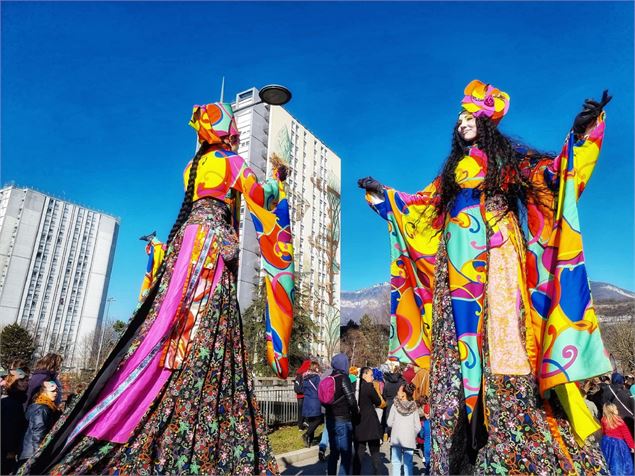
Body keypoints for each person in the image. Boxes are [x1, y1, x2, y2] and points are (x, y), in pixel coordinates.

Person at [18, 101, 294, 475]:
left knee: (170, 323)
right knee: (205, 327)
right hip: (208, 250)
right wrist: (279, 178)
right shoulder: (232, 163)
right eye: (235, 131)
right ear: (227, 132)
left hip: (186, 244)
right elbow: (261, 196)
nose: (239, 136)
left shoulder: (190, 169)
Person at [359, 80, 612, 474]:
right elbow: (422, 208)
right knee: (455, 348)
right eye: (459, 118)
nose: (462, 123)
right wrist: (386, 196)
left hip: (498, 261)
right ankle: (460, 440)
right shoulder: (450, 178)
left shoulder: (508, 162)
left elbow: (552, 176)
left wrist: (579, 134)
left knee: (502, 338)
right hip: (453, 272)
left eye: (470, 117)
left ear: (487, 122)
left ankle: (504, 436)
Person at [325, 353, 358, 475]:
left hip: (330, 419)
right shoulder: (344, 378)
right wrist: (356, 413)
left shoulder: (329, 378)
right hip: (343, 420)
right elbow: (351, 399)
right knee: (345, 454)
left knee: (334, 452)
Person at [19, 381, 60, 465]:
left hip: (27, 451)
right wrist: (37, 456)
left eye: (56, 391)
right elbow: (38, 433)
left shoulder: (38, 405)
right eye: (52, 391)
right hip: (32, 453)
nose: (55, 393)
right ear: (43, 392)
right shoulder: (42, 409)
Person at [352, 367, 383, 475]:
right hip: (371, 425)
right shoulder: (369, 387)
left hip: (358, 424)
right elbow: (378, 401)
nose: (372, 377)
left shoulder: (353, 386)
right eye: (371, 375)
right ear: (364, 375)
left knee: (358, 454)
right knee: (375, 454)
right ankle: (377, 473)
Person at [387, 384, 421, 476]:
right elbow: (418, 426)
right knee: (408, 464)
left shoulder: (395, 406)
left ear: (403, 394)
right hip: (409, 439)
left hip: (396, 439)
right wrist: (412, 434)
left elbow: (389, 422)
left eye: (399, 390)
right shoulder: (414, 407)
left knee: (396, 463)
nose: (397, 392)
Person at [1, 369, 29, 474]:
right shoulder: (12, 403)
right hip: (5, 451)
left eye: (26, 380)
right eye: (21, 381)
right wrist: (10, 450)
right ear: (13, 382)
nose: (25, 383)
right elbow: (8, 428)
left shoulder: (16, 401)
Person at [600, 403, 634, 476]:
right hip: (618, 444)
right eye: (616, 409)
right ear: (612, 411)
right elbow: (626, 434)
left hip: (607, 443)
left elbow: (603, 431)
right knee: (621, 462)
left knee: (610, 460)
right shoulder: (619, 421)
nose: (617, 410)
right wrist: (632, 446)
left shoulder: (603, 419)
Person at [381, 361, 405, 440]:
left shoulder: (387, 381)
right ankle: (395, 435)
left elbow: (384, 392)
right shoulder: (402, 381)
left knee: (388, 418)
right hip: (399, 401)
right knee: (398, 418)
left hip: (389, 401)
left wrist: (386, 398)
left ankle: (386, 434)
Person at [301, 362, 322, 447]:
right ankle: (306, 434)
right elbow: (320, 389)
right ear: (315, 368)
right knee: (318, 419)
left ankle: (309, 441)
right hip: (315, 401)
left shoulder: (304, 377)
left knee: (311, 421)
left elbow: (302, 389)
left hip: (307, 401)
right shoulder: (317, 377)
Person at [294, 359, 311, 430]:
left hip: (300, 396)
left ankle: (301, 425)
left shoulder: (299, 373)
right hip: (304, 395)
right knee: (305, 410)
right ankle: (303, 424)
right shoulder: (304, 374)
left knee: (301, 411)